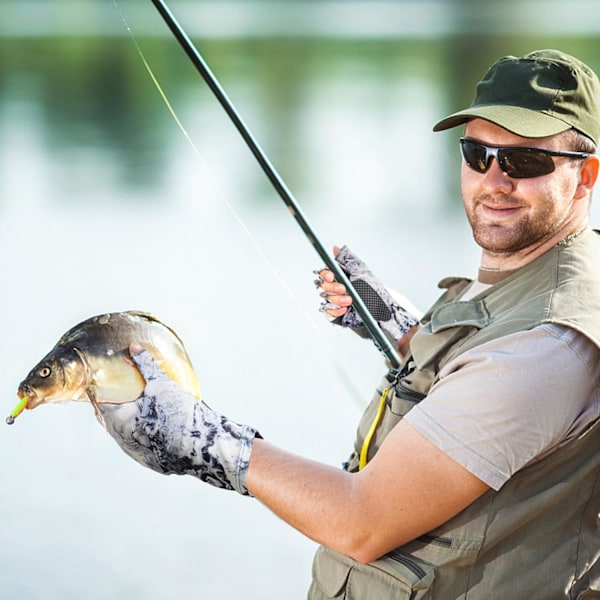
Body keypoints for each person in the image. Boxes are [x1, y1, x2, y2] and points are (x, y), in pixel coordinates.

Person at [99, 49, 600, 598]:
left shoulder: (543, 348)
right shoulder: (546, 281)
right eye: (477, 153)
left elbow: (361, 521)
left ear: (584, 177)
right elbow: (485, 374)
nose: (495, 180)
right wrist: (400, 327)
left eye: (525, 162)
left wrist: (204, 441)